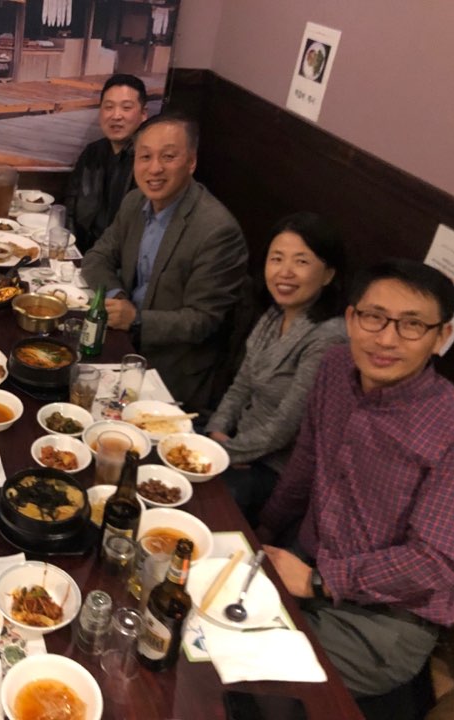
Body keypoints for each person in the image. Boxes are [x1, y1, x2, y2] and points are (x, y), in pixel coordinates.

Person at [257, 259, 454, 699]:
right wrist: (262, 529)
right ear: (352, 318)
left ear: (441, 337)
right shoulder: (336, 366)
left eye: (412, 325)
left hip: (385, 621)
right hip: (307, 557)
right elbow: (305, 461)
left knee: (248, 679)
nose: (387, 339)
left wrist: (319, 581)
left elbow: (432, 561)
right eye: (375, 317)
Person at [80, 111, 248, 412]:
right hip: (120, 343)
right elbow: (97, 257)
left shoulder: (216, 230)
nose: (154, 168)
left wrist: (136, 319)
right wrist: (118, 298)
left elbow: (203, 320)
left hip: (171, 371)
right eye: (145, 157)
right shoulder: (135, 202)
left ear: (191, 162)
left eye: (168, 157)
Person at [205, 212, 347, 522]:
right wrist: (216, 431)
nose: (285, 272)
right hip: (237, 441)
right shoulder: (275, 313)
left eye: (301, 261)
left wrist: (223, 454)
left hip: (273, 468)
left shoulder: (329, 338)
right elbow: (241, 385)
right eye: (277, 259)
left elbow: (286, 426)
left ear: (328, 274)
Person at [65, 74, 147, 253]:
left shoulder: (147, 163)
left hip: (119, 261)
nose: (116, 115)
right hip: (81, 253)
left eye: (126, 107)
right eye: (109, 107)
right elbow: (70, 207)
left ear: (143, 114)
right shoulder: (92, 152)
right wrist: (69, 252)